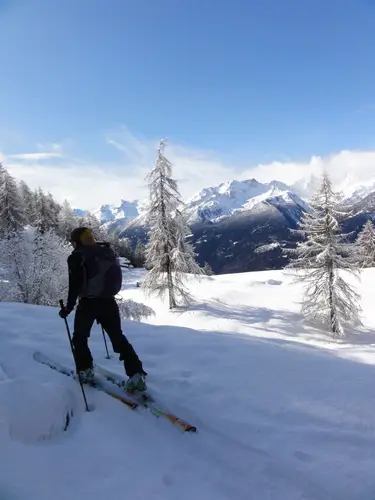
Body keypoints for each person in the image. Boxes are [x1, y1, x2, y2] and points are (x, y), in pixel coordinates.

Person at [59, 226, 147, 392]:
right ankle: (136, 374)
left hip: (88, 304)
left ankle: (85, 370)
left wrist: (68, 308)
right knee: (118, 337)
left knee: (80, 338)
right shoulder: (104, 251)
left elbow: (75, 285)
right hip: (109, 302)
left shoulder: (77, 257)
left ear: (77, 242)